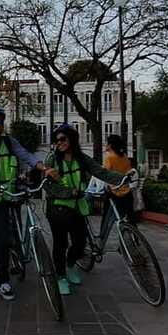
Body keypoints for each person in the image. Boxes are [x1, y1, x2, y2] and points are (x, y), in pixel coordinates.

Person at [0, 104, 58, 301]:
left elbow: (27, 156)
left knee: (3, 241)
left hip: (3, 199)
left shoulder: (9, 142)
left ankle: (3, 280)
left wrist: (44, 168)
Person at [44, 124, 128, 295]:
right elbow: (47, 185)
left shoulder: (82, 158)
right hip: (57, 208)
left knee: (80, 243)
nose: (59, 143)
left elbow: (101, 172)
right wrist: (69, 192)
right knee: (60, 244)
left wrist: (123, 178)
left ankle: (70, 265)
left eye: (62, 139)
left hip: (77, 207)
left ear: (72, 139)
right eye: (56, 140)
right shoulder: (51, 159)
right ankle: (60, 277)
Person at [102, 134, 135, 223]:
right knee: (130, 218)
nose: (105, 145)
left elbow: (105, 174)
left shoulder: (109, 157)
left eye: (106, 143)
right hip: (126, 190)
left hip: (114, 191)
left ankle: (103, 231)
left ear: (110, 145)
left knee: (106, 217)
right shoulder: (124, 156)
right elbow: (128, 171)